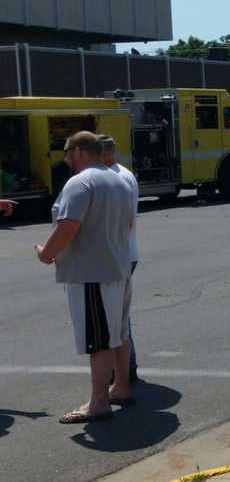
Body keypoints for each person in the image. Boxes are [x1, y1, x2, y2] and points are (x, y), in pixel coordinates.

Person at [35, 131, 135, 424]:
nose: (65, 158)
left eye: (66, 152)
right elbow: (128, 224)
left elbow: (67, 227)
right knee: (119, 332)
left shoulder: (80, 182)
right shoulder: (118, 179)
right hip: (118, 266)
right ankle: (122, 387)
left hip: (92, 273)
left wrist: (46, 254)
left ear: (78, 151)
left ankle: (99, 403)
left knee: (99, 339)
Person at [98, 135, 140, 383]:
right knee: (119, 314)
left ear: (105, 154)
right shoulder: (123, 173)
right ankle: (125, 367)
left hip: (118, 253)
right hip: (125, 252)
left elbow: (125, 221)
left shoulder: (114, 177)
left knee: (115, 316)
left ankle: (122, 369)